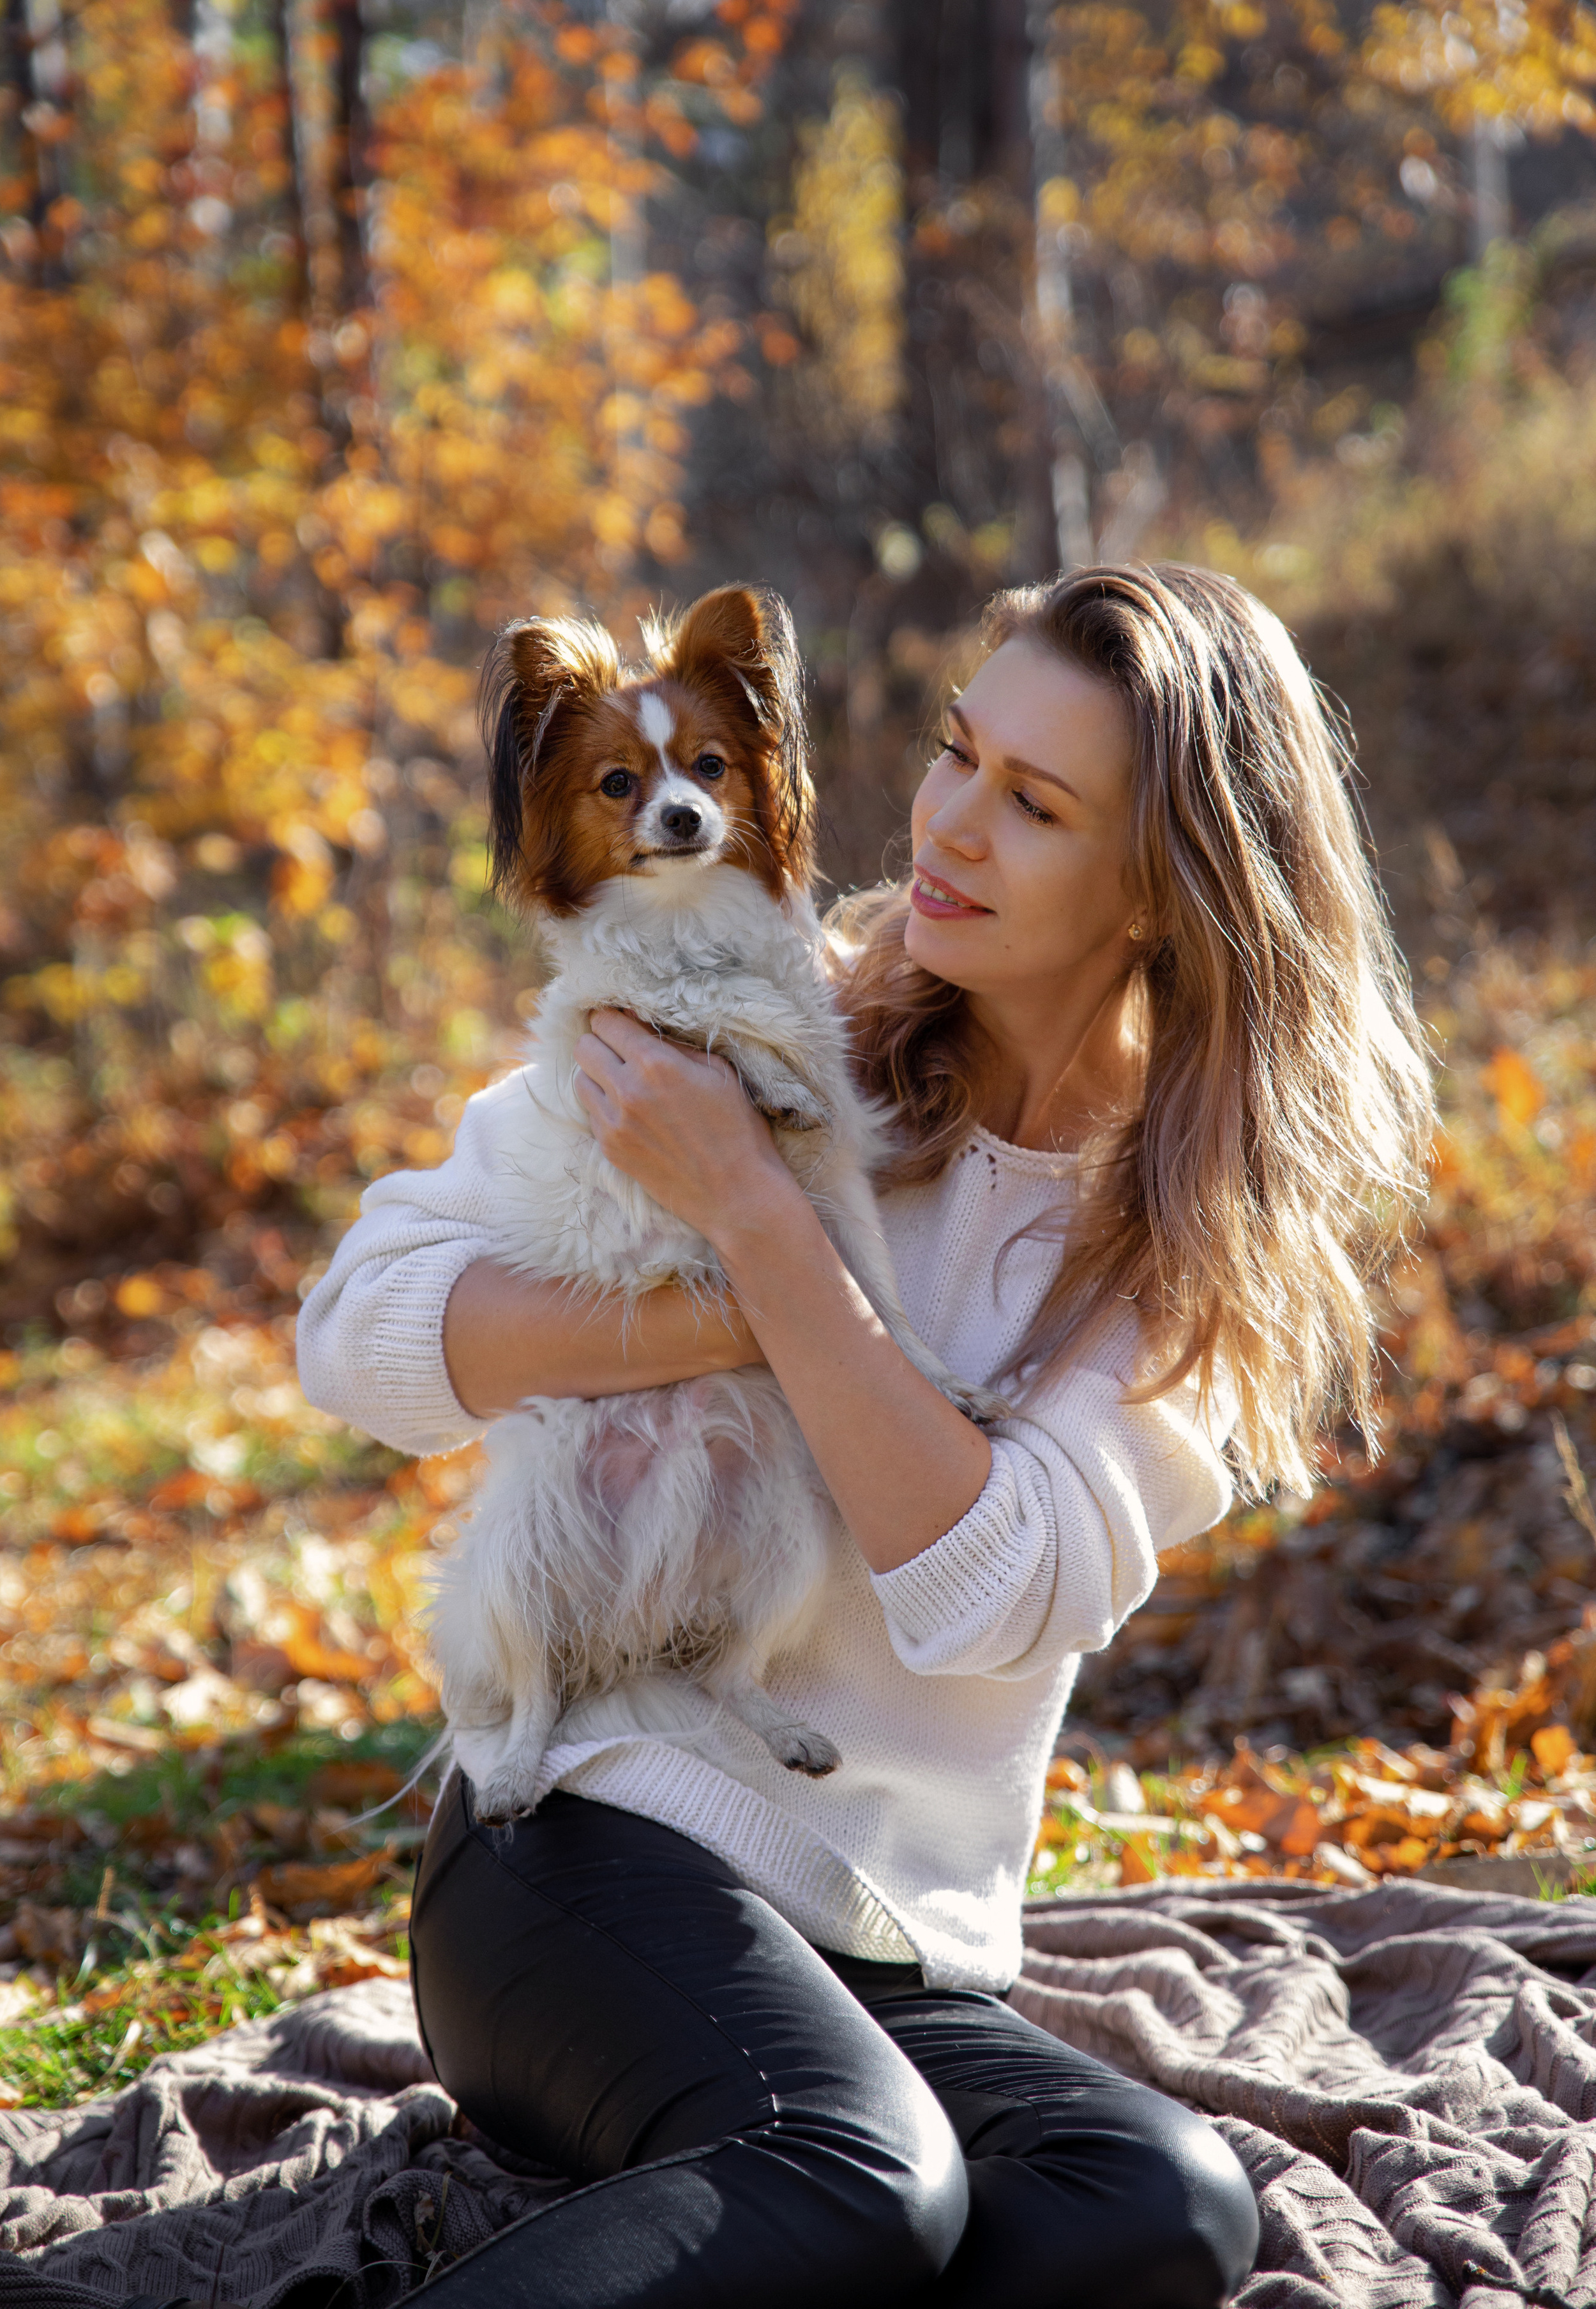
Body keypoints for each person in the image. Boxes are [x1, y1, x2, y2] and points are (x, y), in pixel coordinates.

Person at [296, 564, 1433, 2308]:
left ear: (1167, 892)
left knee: (1155, 2209)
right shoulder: (764, 1010)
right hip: (582, 1832)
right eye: (960, 755)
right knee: (853, 2176)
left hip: (887, 1944)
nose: (954, 828)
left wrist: (759, 1216)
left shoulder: (1184, 1261)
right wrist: (720, 1278)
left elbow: (981, 1593)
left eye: (1036, 805)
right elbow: (363, 1333)